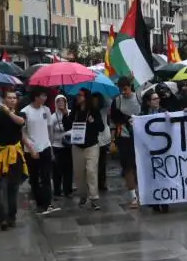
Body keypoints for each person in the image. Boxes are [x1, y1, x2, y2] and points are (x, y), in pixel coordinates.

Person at [0, 88, 28, 229]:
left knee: (13, 189)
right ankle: (1, 219)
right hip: (0, 155)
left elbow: (20, 122)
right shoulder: (0, 114)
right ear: (4, 100)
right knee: (0, 188)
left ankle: (11, 217)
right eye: (9, 97)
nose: (12, 100)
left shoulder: (21, 114)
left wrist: (9, 112)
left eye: (14, 98)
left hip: (15, 156)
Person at [21, 88, 59, 215]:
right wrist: (31, 148)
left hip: (46, 147)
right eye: (42, 95)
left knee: (46, 176)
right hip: (32, 149)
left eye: (45, 96)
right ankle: (39, 203)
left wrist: (50, 146)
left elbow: (48, 129)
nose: (45, 98)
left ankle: (48, 203)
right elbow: (22, 133)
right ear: (36, 97)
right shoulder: (25, 111)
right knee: (34, 178)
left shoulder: (46, 110)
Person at [70, 90, 105, 209]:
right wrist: (65, 113)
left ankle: (94, 197)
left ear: (86, 97)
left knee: (91, 171)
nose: (78, 97)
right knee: (79, 173)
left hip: (91, 146)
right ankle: (82, 195)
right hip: (77, 146)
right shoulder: (75, 110)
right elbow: (67, 125)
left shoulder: (94, 111)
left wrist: (93, 121)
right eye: (77, 95)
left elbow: (101, 128)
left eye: (80, 95)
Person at [111, 77, 141, 209]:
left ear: (130, 87)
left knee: (139, 166)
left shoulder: (139, 98)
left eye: (125, 89)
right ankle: (133, 196)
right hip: (123, 137)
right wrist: (113, 140)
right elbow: (113, 121)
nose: (124, 92)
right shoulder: (117, 102)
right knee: (128, 166)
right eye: (121, 89)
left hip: (140, 137)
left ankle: (143, 191)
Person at [140, 87, 169, 213]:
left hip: (163, 149)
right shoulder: (143, 115)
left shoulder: (164, 111)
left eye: (158, 98)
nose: (157, 101)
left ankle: (165, 201)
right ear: (148, 102)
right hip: (149, 151)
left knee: (163, 175)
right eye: (154, 99)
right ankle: (155, 201)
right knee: (152, 175)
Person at [50, 93, 73, 197]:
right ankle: (57, 191)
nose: (61, 103)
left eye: (62, 101)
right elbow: (50, 133)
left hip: (69, 146)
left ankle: (68, 190)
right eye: (58, 101)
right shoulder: (53, 117)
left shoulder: (70, 113)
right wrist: (51, 149)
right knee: (57, 171)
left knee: (68, 170)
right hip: (57, 146)